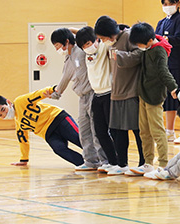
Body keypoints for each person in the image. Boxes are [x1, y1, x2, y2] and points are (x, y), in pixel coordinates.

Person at [50, 28, 107, 171]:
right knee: (84, 130)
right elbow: (65, 77)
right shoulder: (69, 58)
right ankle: (91, 161)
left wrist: (73, 30)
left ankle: (105, 160)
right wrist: (56, 93)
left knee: (97, 130)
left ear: (67, 41)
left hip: (93, 94)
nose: (57, 49)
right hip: (82, 97)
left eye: (57, 45)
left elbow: (91, 34)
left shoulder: (81, 51)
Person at [94, 16, 145, 176]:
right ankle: (121, 163)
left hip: (131, 90)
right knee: (117, 130)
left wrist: (121, 56)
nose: (102, 41)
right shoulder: (112, 43)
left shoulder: (128, 36)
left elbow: (140, 53)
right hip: (117, 91)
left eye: (102, 38)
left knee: (138, 130)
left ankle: (145, 163)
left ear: (109, 33)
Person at [0, 86, 85, 168]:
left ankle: (99, 157)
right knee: (59, 149)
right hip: (48, 133)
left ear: (8, 103)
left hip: (58, 118)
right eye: (0, 115)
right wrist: (24, 159)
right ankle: (84, 163)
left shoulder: (19, 101)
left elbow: (36, 95)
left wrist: (52, 89)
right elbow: (23, 141)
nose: (4, 114)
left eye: (3, 110)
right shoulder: (19, 124)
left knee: (80, 139)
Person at [127, 22, 178, 176]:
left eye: (139, 44)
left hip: (154, 96)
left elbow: (164, 71)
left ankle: (163, 164)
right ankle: (148, 163)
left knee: (157, 130)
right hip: (143, 93)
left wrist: (173, 87)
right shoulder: (147, 48)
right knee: (144, 131)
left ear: (149, 41)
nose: (138, 46)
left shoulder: (159, 50)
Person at [74, 26, 118, 173]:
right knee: (99, 131)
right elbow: (83, 39)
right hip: (96, 95)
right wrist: (78, 34)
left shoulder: (104, 47)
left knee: (112, 130)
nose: (87, 47)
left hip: (108, 93)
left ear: (96, 40)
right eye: (84, 46)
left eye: (88, 43)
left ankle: (117, 162)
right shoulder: (87, 54)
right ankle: (110, 162)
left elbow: (102, 33)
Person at [155, 0, 180, 144]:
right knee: (168, 99)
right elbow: (155, 40)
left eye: (170, 4)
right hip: (165, 65)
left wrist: (165, 39)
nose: (167, 7)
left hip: (179, 64)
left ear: (178, 4)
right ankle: (169, 131)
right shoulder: (161, 22)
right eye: (165, 4)